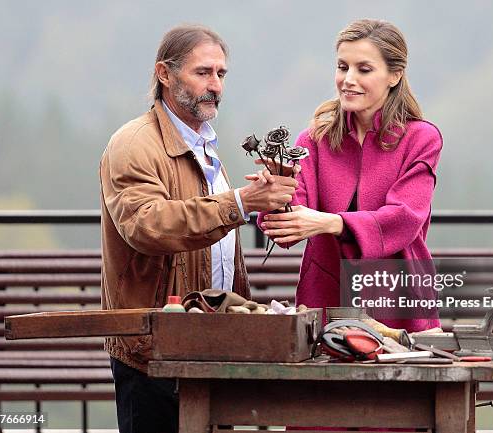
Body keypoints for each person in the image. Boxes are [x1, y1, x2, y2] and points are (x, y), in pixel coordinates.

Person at [99, 24, 297, 433]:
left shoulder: (205, 146)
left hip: (208, 343)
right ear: (164, 74)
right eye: (202, 72)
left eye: (221, 74)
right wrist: (240, 202)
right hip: (152, 348)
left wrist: (265, 208)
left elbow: (213, 235)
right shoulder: (133, 144)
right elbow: (147, 225)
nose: (215, 85)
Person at [257, 19, 443, 332]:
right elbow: (286, 227)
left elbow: (404, 218)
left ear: (394, 75)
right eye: (343, 67)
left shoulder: (421, 138)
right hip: (326, 299)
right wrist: (275, 194)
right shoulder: (312, 140)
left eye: (364, 69)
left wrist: (331, 222)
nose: (348, 79)